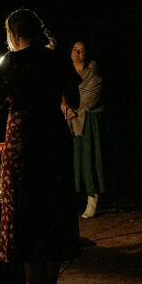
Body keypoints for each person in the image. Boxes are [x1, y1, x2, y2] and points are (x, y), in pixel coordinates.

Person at [0, 8, 79, 284]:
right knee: (53, 209)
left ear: (13, 34)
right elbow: (74, 101)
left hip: (24, 141)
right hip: (54, 138)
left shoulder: (11, 62)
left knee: (26, 212)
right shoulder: (57, 58)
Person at [62, 40, 105, 219]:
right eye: (74, 49)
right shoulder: (66, 72)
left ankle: (92, 199)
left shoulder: (93, 73)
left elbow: (90, 99)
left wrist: (72, 109)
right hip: (68, 121)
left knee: (88, 159)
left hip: (86, 122)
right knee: (70, 162)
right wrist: (64, 108)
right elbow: (59, 94)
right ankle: (73, 201)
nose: (77, 53)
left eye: (81, 50)